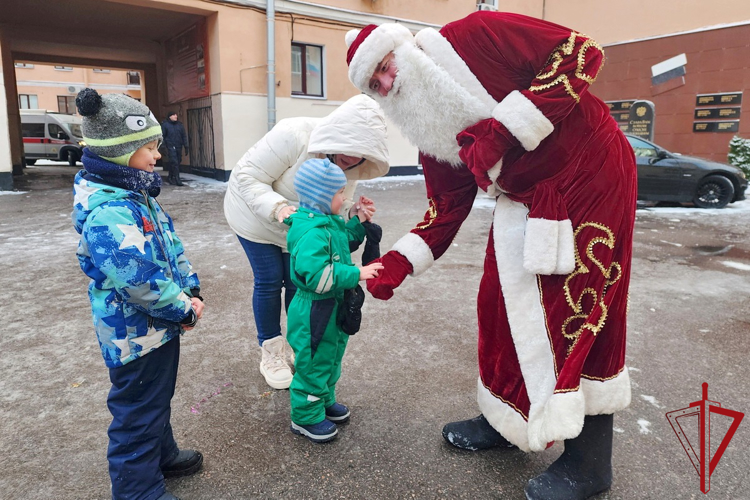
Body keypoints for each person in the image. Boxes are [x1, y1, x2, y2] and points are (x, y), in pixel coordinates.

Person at [344, 12, 637, 500]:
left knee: (581, 308)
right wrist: (397, 262)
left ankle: (589, 463)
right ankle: (506, 418)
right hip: (525, 199)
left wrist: (502, 131)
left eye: (387, 67)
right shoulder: (431, 132)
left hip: (592, 172)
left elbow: (581, 53)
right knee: (497, 305)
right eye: (377, 85)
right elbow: (446, 206)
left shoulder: (477, 35)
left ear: (406, 50)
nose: (389, 84)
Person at [72, 88, 204, 500]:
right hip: (135, 334)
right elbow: (139, 279)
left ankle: (160, 454)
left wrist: (191, 283)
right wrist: (183, 307)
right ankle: (137, 490)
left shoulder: (136, 195)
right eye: (148, 147)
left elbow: (169, 246)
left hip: (154, 328)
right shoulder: (111, 212)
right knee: (137, 411)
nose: (157, 156)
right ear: (117, 151)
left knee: (154, 397)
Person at [223, 94, 389, 391]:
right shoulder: (294, 134)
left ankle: (301, 347)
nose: (350, 160)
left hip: (300, 228)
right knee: (270, 280)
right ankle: (272, 353)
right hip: (256, 217)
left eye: (359, 155)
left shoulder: (350, 160)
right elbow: (248, 176)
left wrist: (353, 211)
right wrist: (277, 208)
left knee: (300, 283)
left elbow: (334, 198)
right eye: (347, 150)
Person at [284, 158, 382, 443]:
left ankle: (323, 400)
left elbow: (343, 243)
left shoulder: (328, 224)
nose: (344, 197)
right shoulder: (311, 233)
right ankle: (305, 416)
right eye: (340, 194)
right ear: (321, 197)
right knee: (313, 363)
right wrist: (356, 273)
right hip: (314, 309)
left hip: (331, 306)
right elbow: (316, 275)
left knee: (330, 357)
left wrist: (358, 220)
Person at [161, 111, 189, 186]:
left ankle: (170, 177)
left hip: (178, 146)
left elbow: (184, 136)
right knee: (174, 162)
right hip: (170, 146)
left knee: (177, 161)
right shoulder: (165, 125)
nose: (175, 116)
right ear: (170, 116)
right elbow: (162, 136)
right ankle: (177, 179)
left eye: (176, 115)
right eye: (173, 115)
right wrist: (163, 147)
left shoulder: (180, 125)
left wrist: (186, 146)